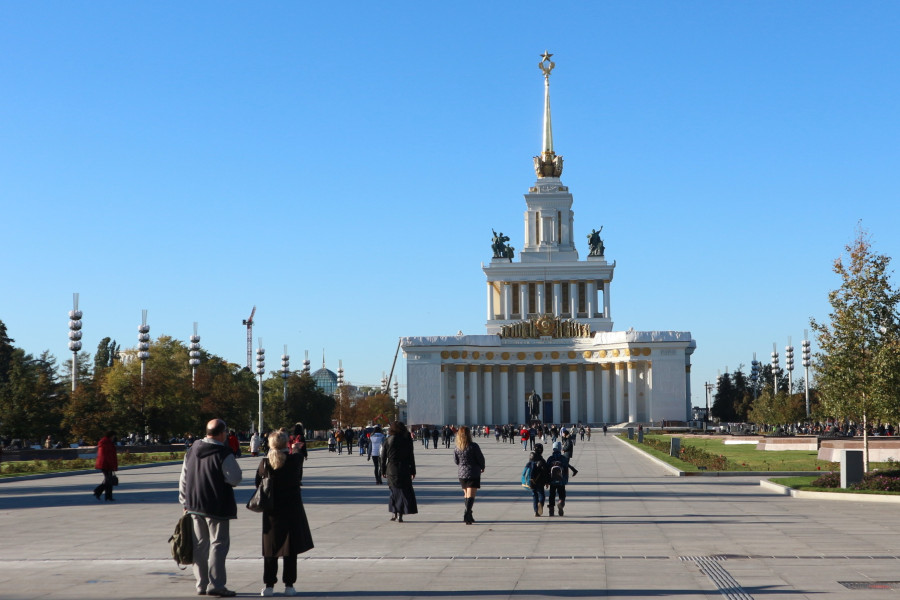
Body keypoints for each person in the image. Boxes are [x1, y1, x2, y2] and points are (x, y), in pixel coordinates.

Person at [179, 418, 242, 597]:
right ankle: (216, 584)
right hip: (217, 505)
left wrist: (184, 501)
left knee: (200, 545)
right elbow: (235, 478)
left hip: (194, 505)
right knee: (218, 545)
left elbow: (183, 478)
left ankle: (201, 584)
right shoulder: (223, 452)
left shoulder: (192, 450)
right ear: (222, 433)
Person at [256, 431, 314, 597]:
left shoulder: (265, 463)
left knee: (270, 549)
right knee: (290, 549)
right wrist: (295, 448)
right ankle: (289, 584)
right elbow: (298, 456)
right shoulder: (294, 461)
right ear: (285, 444)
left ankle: (269, 585)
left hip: (272, 511)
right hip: (291, 509)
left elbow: (257, 483)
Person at [380, 421, 417, 522]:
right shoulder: (407, 440)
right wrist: (413, 470)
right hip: (404, 468)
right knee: (402, 491)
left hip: (392, 469)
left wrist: (382, 470)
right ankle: (400, 513)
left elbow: (383, 457)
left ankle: (394, 512)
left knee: (393, 491)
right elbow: (411, 456)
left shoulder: (388, 440)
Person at [453, 426, 485, 525]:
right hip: (473, 472)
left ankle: (469, 514)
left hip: (461, 474)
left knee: (466, 494)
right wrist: (482, 466)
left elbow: (456, 461)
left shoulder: (457, 447)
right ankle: (467, 514)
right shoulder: (473, 446)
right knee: (471, 495)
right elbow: (480, 458)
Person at [546, 441, 578, 517]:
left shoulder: (550, 458)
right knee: (562, 494)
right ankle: (561, 502)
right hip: (561, 481)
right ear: (560, 448)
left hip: (552, 481)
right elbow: (566, 468)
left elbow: (547, 470)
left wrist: (546, 481)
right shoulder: (563, 458)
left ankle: (551, 510)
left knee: (552, 495)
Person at [93, 430, 118, 502]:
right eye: (114, 436)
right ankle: (98, 491)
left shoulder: (105, 442)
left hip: (105, 464)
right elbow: (108, 456)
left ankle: (107, 496)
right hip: (106, 464)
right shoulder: (107, 443)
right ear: (111, 435)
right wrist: (112, 465)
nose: (114, 437)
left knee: (108, 481)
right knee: (108, 481)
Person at [525, 443, 548, 517]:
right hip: (540, 481)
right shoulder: (542, 461)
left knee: (534, 496)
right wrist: (547, 481)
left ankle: (536, 511)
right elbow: (545, 472)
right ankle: (540, 503)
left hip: (532, 481)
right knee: (541, 495)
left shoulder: (531, 460)